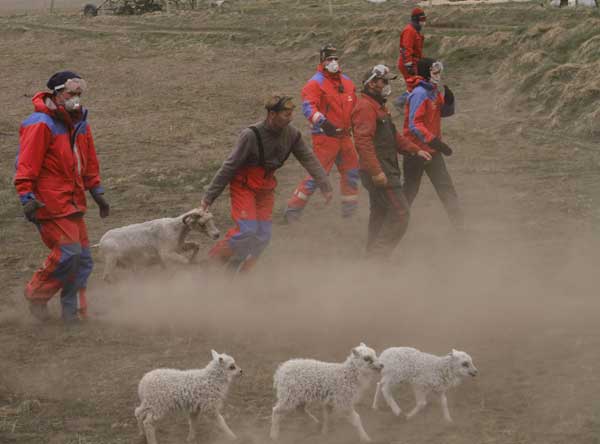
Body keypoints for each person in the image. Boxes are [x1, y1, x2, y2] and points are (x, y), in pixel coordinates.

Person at [14, 71, 110, 322]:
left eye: (79, 94)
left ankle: (74, 314)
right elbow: (26, 164)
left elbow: (89, 161)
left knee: (83, 260)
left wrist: (96, 191)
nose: (76, 99)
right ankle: (36, 294)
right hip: (48, 203)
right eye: (71, 94)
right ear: (56, 95)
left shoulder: (80, 123)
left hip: (73, 201)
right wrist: (26, 196)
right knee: (69, 253)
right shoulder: (39, 123)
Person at [199, 94, 333, 272]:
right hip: (244, 186)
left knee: (263, 236)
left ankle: (241, 273)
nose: (290, 118)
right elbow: (229, 166)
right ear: (271, 114)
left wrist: (325, 185)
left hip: (266, 188)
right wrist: (209, 197)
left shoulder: (292, 135)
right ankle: (214, 260)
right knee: (247, 231)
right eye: (286, 115)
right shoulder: (251, 135)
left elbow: (309, 159)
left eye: (291, 114)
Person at [352, 64, 432, 258]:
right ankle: (378, 256)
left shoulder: (378, 106)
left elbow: (393, 136)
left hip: (384, 167)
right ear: (371, 83)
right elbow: (362, 142)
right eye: (384, 81)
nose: (387, 85)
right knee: (401, 213)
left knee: (380, 212)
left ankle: (371, 255)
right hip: (381, 170)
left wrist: (415, 150)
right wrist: (376, 171)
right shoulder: (365, 107)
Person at [283, 43, 359, 222]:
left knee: (351, 173)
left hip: (345, 137)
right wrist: (323, 122)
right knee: (317, 176)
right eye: (329, 59)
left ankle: (349, 212)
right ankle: (293, 211)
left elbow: (355, 106)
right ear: (322, 61)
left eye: (335, 58)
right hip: (326, 138)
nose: (333, 62)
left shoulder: (347, 82)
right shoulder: (314, 84)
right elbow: (308, 107)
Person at [402, 57, 463, 228]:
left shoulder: (433, 91)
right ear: (426, 73)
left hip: (433, 151)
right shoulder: (420, 94)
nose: (438, 74)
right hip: (416, 151)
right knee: (409, 191)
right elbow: (415, 124)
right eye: (434, 71)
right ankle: (395, 223)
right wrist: (435, 142)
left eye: (439, 71)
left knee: (446, 189)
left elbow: (441, 113)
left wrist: (449, 102)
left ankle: (460, 226)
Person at [394, 8, 427, 110]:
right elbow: (406, 49)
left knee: (418, 84)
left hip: (414, 62)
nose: (424, 21)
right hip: (408, 64)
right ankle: (400, 102)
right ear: (416, 19)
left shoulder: (415, 31)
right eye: (422, 18)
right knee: (415, 86)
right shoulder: (409, 31)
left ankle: (410, 104)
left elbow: (417, 50)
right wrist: (409, 65)